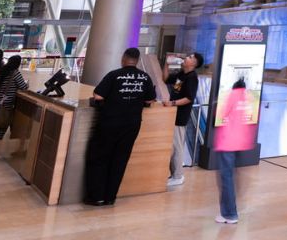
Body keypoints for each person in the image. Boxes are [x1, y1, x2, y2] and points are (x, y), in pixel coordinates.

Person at [84, 48, 158, 207]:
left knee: (99, 158)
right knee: (120, 160)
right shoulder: (145, 78)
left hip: (109, 123)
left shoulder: (114, 75)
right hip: (131, 125)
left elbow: (98, 96)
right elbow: (151, 100)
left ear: (123, 59)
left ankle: (96, 197)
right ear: (137, 60)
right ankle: (110, 197)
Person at [213, 77, 255, 224]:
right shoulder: (249, 98)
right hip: (242, 141)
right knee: (231, 177)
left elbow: (221, 115)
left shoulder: (232, 95)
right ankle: (230, 211)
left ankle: (229, 214)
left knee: (226, 178)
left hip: (227, 141)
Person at [163, 52, 202, 186]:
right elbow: (166, 78)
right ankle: (174, 174)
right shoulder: (181, 74)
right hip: (173, 114)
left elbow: (189, 98)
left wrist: (172, 103)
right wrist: (166, 64)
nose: (187, 58)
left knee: (177, 146)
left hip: (180, 116)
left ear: (194, 64)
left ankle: (178, 175)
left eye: (191, 57)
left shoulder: (192, 78)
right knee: (174, 145)